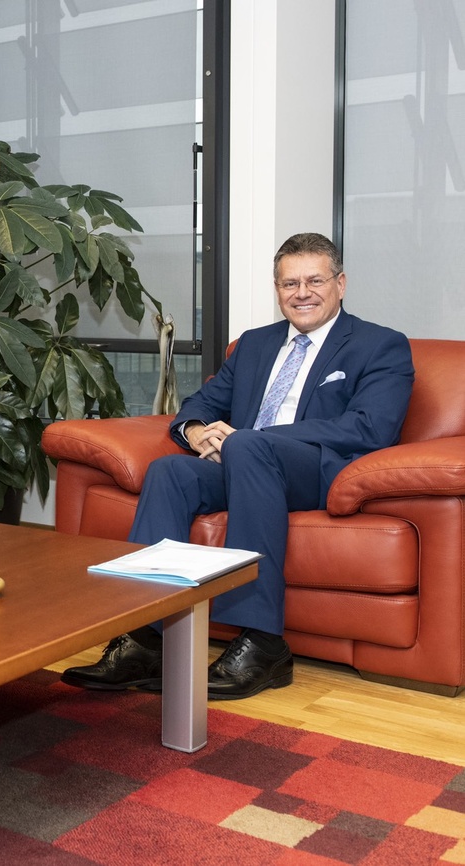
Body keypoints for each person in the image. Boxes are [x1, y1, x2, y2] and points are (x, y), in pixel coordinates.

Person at [61, 232, 414, 700]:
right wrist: (195, 433)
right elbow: (199, 404)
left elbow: (371, 428)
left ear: (341, 284)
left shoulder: (380, 344)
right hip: (245, 466)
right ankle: (146, 636)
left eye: (314, 281)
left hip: (316, 472)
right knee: (171, 472)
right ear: (277, 289)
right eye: (290, 284)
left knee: (248, 447)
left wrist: (250, 440)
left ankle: (264, 644)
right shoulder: (252, 344)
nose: (302, 293)